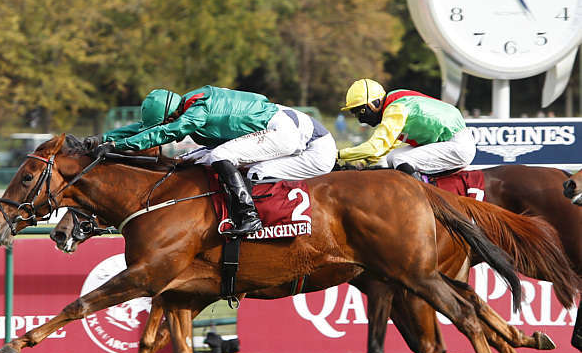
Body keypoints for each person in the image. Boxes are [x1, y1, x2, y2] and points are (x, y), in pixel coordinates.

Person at [84, 86, 337, 236]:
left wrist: (117, 146)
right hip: (286, 127)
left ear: (170, 115)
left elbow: (166, 132)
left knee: (221, 157)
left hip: (294, 136)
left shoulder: (197, 111)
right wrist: (101, 139)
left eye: (166, 122)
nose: (166, 125)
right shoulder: (188, 104)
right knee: (192, 159)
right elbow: (146, 128)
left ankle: (250, 217)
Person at [337, 79, 476, 179]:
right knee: (391, 158)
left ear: (375, 103)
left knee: (401, 159)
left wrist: (338, 154)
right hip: (450, 142)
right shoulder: (394, 99)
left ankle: (423, 201)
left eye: (360, 111)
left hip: (457, 146)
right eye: (354, 113)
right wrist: (364, 162)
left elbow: (375, 147)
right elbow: (388, 146)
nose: (359, 118)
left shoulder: (395, 109)